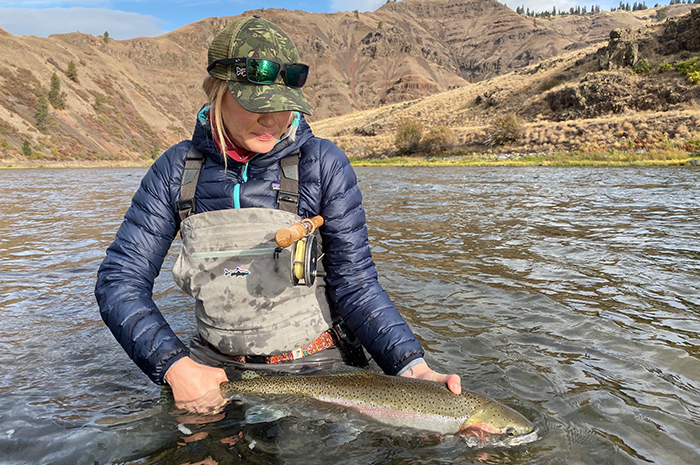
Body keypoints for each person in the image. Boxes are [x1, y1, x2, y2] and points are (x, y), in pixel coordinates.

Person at [95, 15, 461, 414]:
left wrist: (412, 367)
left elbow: (356, 286)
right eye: (256, 105)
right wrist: (174, 366)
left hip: (319, 371)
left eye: (283, 105)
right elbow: (120, 282)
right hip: (214, 375)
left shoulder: (323, 164)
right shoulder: (175, 169)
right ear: (217, 91)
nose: (273, 119)